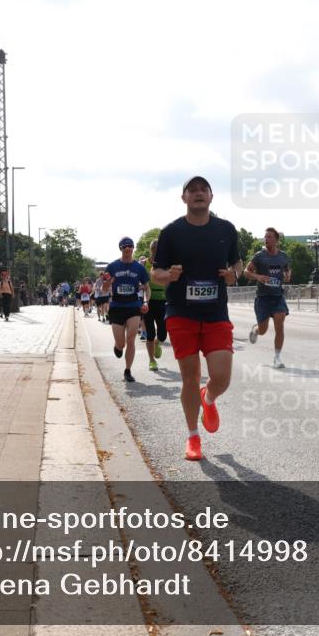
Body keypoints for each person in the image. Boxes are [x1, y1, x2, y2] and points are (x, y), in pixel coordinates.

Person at [151, 176, 241, 461]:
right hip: (181, 314)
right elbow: (156, 272)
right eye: (193, 190)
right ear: (184, 198)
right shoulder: (171, 232)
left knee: (222, 377)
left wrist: (233, 274)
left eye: (204, 189)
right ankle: (193, 437)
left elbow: (237, 262)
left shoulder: (226, 229)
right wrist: (168, 275)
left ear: (212, 197)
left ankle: (209, 398)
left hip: (216, 313)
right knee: (190, 378)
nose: (199, 193)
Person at [103, 238, 151, 383]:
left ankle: (128, 370)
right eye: (124, 247)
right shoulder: (112, 267)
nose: (127, 249)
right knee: (121, 344)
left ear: (133, 248)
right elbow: (103, 289)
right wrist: (107, 283)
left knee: (131, 339)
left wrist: (146, 302)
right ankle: (117, 346)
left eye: (130, 246)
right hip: (117, 307)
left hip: (133, 307)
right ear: (120, 249)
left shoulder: (139, 268)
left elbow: (147, 288)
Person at [245, 227, 292, 368]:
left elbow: (287, 269)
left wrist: (288, 275)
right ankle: (256, 330)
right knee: (263, 330)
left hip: (278, 296)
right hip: (263, 297)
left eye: (269, 237)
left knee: (280, 322)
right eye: (265, 237)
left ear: (277, 240)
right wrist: (258, 276)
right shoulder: (259, 256)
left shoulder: (283, 256)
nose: (266, 239)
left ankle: (277, 358)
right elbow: (247, 272)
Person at [143, 239, 168, 372]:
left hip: (163, 301)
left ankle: (158, 343)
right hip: (149, 301)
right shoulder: (144, 264)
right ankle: (151, 360)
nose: (156, 252)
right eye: (154, 250)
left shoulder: (165, 264)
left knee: (163, 334)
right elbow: (139, 281)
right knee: (150, 333)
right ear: (151, 250)